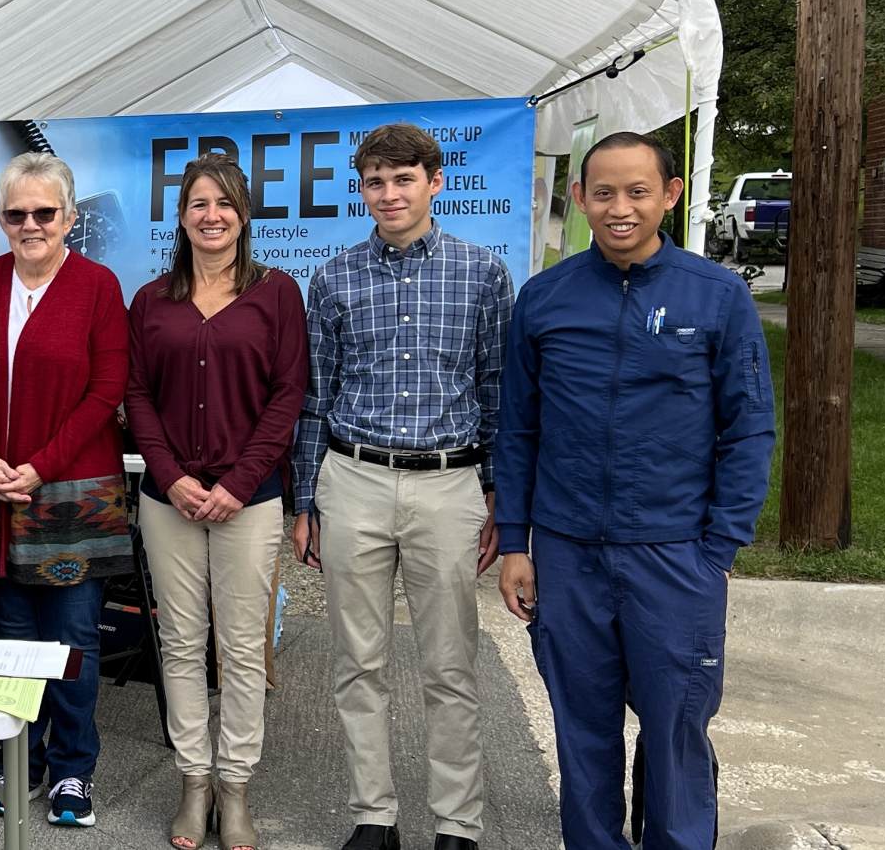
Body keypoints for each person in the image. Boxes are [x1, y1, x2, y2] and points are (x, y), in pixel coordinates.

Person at [496, 133, 774, 850]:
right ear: (581, 198)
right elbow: (519, 429)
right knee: (582, 732)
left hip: (675, 555)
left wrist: (718, 547)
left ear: (670, 195)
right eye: (603, 192)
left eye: (638, 191)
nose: (619, 208)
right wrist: (517, 541)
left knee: (677, 727)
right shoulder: (545, 297)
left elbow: (748, 430)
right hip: (567, 554)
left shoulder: (716, 296)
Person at [292, 122, 513, 850]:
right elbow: (315, 398)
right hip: (352, 478)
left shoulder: (482, 272)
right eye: (374, 182)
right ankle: (374, 816)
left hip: (449, 483)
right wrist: (305, 501)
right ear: (361, 190)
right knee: (359, 660)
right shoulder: (332, 277)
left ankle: (457, 823)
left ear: (435, 181)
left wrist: (495, 496)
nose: (388, 194)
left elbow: (497, 388)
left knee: (450, 663)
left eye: (402, 179)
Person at [0, 152, 133, 830]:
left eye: (44, 212)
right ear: (0, 219)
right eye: (16, 213)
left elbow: (106, 389)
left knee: (73, 638)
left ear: (70, 217)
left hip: (72, 490)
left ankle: (73, 766)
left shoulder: (99, 286)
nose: (30, 224)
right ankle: (19, 758)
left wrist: (41, 464)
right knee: (12, 636)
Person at [125, 153, 308, 850]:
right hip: (167, 498)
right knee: (178, 642)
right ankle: (192, 778)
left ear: (244, 214)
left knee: (240, 647)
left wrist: (238, 481)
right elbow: (136, 394)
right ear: (180, 215)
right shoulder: (151, 300)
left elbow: (288, 394)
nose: (212, 214)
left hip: (251, 499)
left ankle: (235, 787)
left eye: (224, 202)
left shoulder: (277, 294)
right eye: (199, 202)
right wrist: (170, 475)